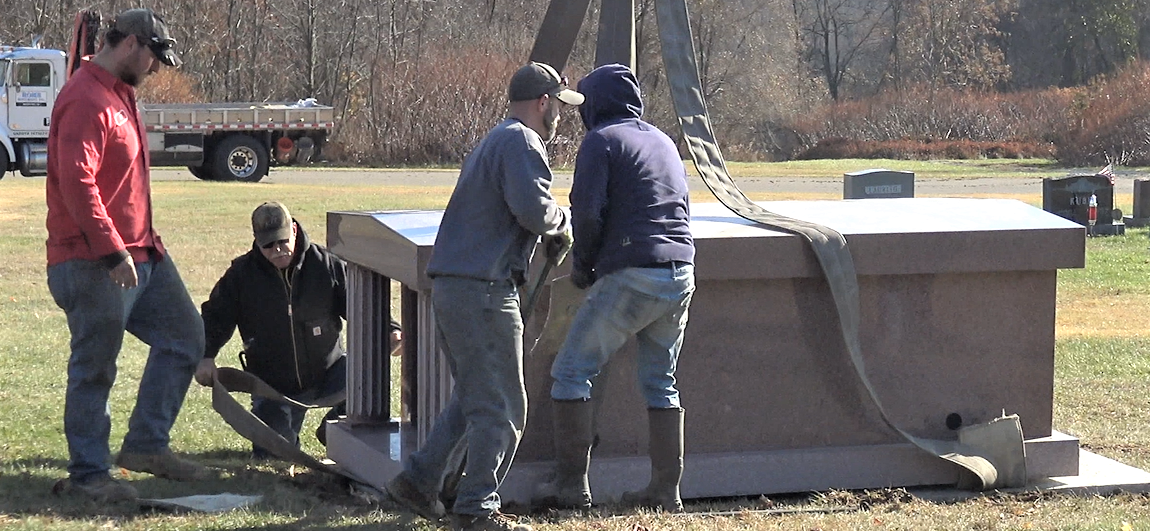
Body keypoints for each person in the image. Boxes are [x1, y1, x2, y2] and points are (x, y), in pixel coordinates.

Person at [384, 62, 582, 531]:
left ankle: (418, 482)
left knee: (473, 399)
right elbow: (534, 211)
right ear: (543, 103)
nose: (560, 116)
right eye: (558, 105)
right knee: (505, 408)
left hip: (456, 287)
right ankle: (476, 510)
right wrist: (564, 220)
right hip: (484, 291)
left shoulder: (496, 138)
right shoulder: (523, 141)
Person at [45, 8, 206, 503]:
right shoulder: (86, 98)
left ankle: (146, 446)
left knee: (185, 337)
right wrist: (111, 250)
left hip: (142, 254)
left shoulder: (120, 95)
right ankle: (88, 476)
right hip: (95, 261)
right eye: (154, 56)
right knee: (95, 368)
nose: (157, 68)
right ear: (132, 43)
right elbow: (78, 181)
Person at [531, 64, 696, 512]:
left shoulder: (600, 142)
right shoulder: (662, 140)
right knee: (661, 381)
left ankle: (572, 489)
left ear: (597, 104)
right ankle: (665, 491)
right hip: (680, 271)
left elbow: (586, 212)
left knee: (570, 372)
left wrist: (583, 269)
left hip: (631, 272)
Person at [195, 202, 398, 457]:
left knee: (370, 385)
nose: (277, 250)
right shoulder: (241, 276)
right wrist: (205, 355)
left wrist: (389, 329)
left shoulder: (325, 265)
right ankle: (283, 437)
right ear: (256, 242)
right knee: (275, 456)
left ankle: (334, 432)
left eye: (281, 241)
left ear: (293, 230)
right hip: (272, 385)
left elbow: (360, 305)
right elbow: (215, 317)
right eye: (268, 245)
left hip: (330, 372)